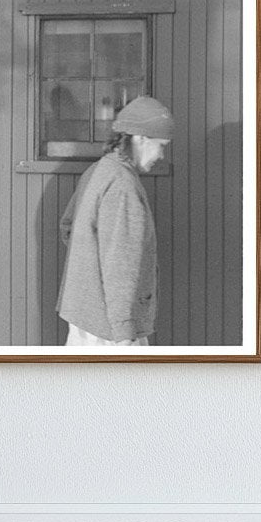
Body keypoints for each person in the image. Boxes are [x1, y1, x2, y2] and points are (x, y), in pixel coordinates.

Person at [57, 95, 174, 346]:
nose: (162, 155)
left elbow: (68, 227)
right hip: (110, 328)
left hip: (84, 317)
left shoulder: (99, 170)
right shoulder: (123, 186)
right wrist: (124, 333)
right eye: (161, 145)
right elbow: (121, 266)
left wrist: (89, 263)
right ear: (140, 139)